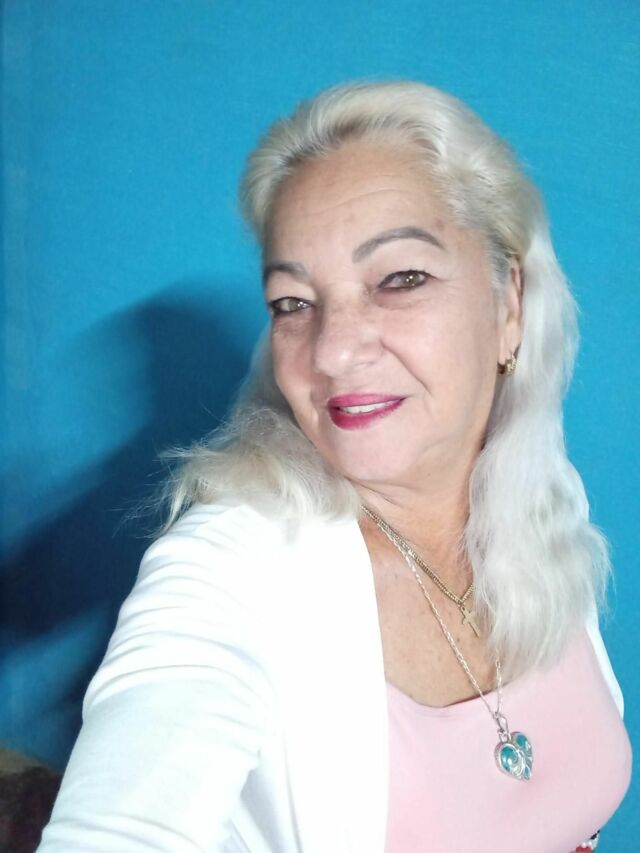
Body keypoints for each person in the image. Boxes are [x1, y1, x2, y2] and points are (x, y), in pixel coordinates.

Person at [38, 81, 631, 852]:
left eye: (399, 279)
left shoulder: (539, 495)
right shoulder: (232, 568)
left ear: (509, 305)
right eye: (293, 302)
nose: (333, 351)